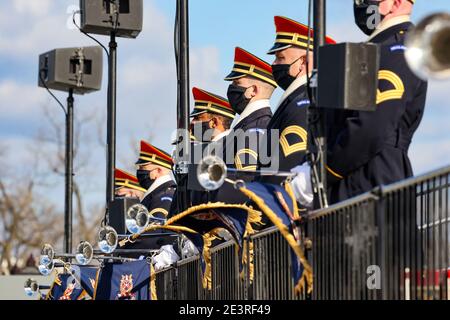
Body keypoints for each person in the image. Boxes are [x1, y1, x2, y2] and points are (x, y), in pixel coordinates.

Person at [326, 0, 427, 204]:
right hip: (357, 181)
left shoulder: (399, 49)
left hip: (376, 180)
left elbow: (371, 128)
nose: (359, 4)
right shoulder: (373, 49)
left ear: (396, 3)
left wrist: (325, 171)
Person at [261, 16, 335, 185]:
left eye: (281, 58)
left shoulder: (302, 104)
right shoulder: (294, 101)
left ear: (302, 62)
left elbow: (285, 169)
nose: (274, 63)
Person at [223, 47, 275, 172]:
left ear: (253, 90)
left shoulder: (256, 128)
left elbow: (245, 183)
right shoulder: (250, 124)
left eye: (236, 83)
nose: (231, 88)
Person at [135, 140, 176, 219]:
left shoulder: (163, 198)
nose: (139, 171)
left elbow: (156, 230)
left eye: (143, 168)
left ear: (158, 171)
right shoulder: (157, 194)